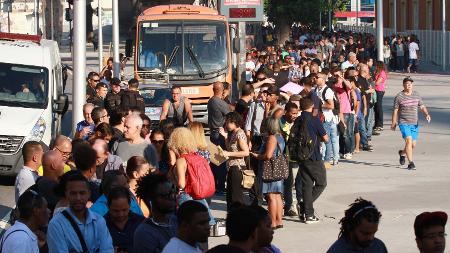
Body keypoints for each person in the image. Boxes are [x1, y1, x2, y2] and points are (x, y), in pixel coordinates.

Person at [47, 173, 114, 252]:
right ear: (66, 194)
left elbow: (107, 250)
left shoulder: (99, 220)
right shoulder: (56, 224)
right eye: (73, 193)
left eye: (82, 193)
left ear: (89, 194)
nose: (78, 198)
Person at [168, 127, 215, 223]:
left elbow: (181, 184)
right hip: (199, 197)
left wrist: (173, 180)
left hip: (185, 197)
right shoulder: (198, 157)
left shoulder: (181, 160)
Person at [293, 98, 328, 223]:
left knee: (307, 185)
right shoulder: (314, 119)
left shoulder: (298, 119)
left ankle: (308, 214)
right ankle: (305, 207)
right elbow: (326, 138)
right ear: (312, 106)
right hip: (314, 156)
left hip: (301, 156)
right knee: (321, 183)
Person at [251, 116, 285, 229]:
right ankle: (279, 221)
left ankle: (273, 222)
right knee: (277, 196)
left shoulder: (272, 138)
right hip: (278, 169)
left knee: (271, 197)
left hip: (270, 170)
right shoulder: (280, 136)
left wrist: (257, 156)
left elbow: (268, 155)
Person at [391, 77, 431, 170]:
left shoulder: (416, 94)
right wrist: (394, 122)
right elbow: (395, 111)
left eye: (410, 84)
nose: (409, 85)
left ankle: (402, 153)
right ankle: (411, 163)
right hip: (403, 122)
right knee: (408, 141)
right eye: (407, 84)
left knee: (413, 145)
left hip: (414, 123)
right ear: (403, 85)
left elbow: (422, 106)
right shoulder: (399, 96)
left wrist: (427, 114)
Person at [133, 174, 177, 253]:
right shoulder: (144, 233)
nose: (172, 197)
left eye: (173, 192)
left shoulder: (178, 220)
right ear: (150, 200)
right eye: (166, 195)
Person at [219, 112, 250, 209]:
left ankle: (237, 218)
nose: (226, 125)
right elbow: (230, 148)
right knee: (230, 195)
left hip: (238, 167)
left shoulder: (240, 133)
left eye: (228, 122)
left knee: (235, 196)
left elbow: (246, 152)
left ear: (234, 122)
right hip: (231, 167)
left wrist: (228, 154)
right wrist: (225, 137)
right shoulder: (233, 133)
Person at [104, 186, 145, 253]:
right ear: (108, 206)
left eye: (124, 210)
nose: (121, 214)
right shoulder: (101, 225)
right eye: (116, 211)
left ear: (129, 205)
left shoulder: (141, 222)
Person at [207, 82, 230, 194]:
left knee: (214, 160)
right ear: (222, 90)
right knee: (221, 160)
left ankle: (215, 184)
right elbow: (230, 114)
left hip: (213, 132)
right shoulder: (219, 102)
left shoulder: (211, 100)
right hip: (220, 133)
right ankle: (220, 186)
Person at [279, 102, 299, 217]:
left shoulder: (297, 122)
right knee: (283, 182)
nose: (294, 115)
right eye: (293, 113)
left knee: (290, 183)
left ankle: (289, 205)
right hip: (282, 155)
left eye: (296, 113)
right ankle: (284, 205)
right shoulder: (279, 122)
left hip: (293, 157)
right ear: (286, 112)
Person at [29, 150, 65, 214]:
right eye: (62, 161)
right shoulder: (57, 191)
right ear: (54, 165)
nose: (64, 164)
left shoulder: (33, 189)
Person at [315, 72, 339, 165]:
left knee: (326, 140)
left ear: (323, 79)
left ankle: (327, 160)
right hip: (324, 118)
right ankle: (334, 158)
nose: (315, 79)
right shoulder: (317, 89)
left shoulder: (327, 90)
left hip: (327, 118)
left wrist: (320, 105)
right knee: (331, 139)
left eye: (317, 77)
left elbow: (331, 105)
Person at [374, 61, 387, 132]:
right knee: (376, 108)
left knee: (379, 107)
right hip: (376, 90)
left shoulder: (382, 73)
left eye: (376, 65)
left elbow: (377, 82)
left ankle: (380, 124)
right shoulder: (377, 72)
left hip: (379, 90)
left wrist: (371, 83)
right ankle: (376, 124)